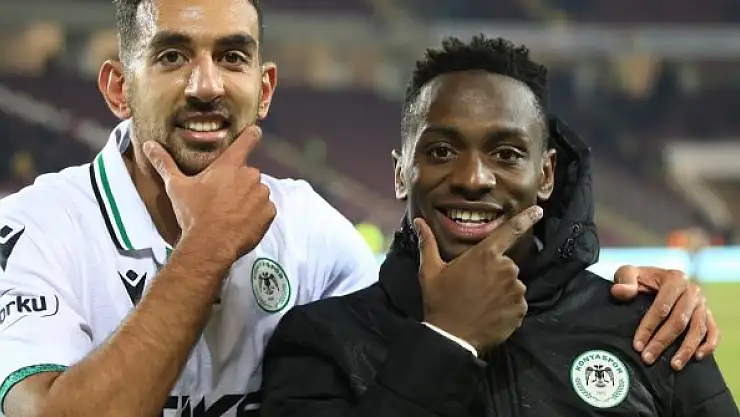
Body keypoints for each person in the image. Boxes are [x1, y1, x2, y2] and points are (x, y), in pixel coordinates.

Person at [0, 0, 720, 414]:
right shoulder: (38, 229)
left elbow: (407, 317)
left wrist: (621, 293)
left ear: (266, 88)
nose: (207, 85)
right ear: (116, 88)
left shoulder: (308, 230)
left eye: (233, 56)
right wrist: (207, 251)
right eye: (172, 56)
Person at [259, 35, 738, 416]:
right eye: (441, 151)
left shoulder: (650, 331)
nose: (473, 179)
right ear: (401, 173)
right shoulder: (322, 343)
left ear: (546, 175)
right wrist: (447, 342)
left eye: (506, 153)